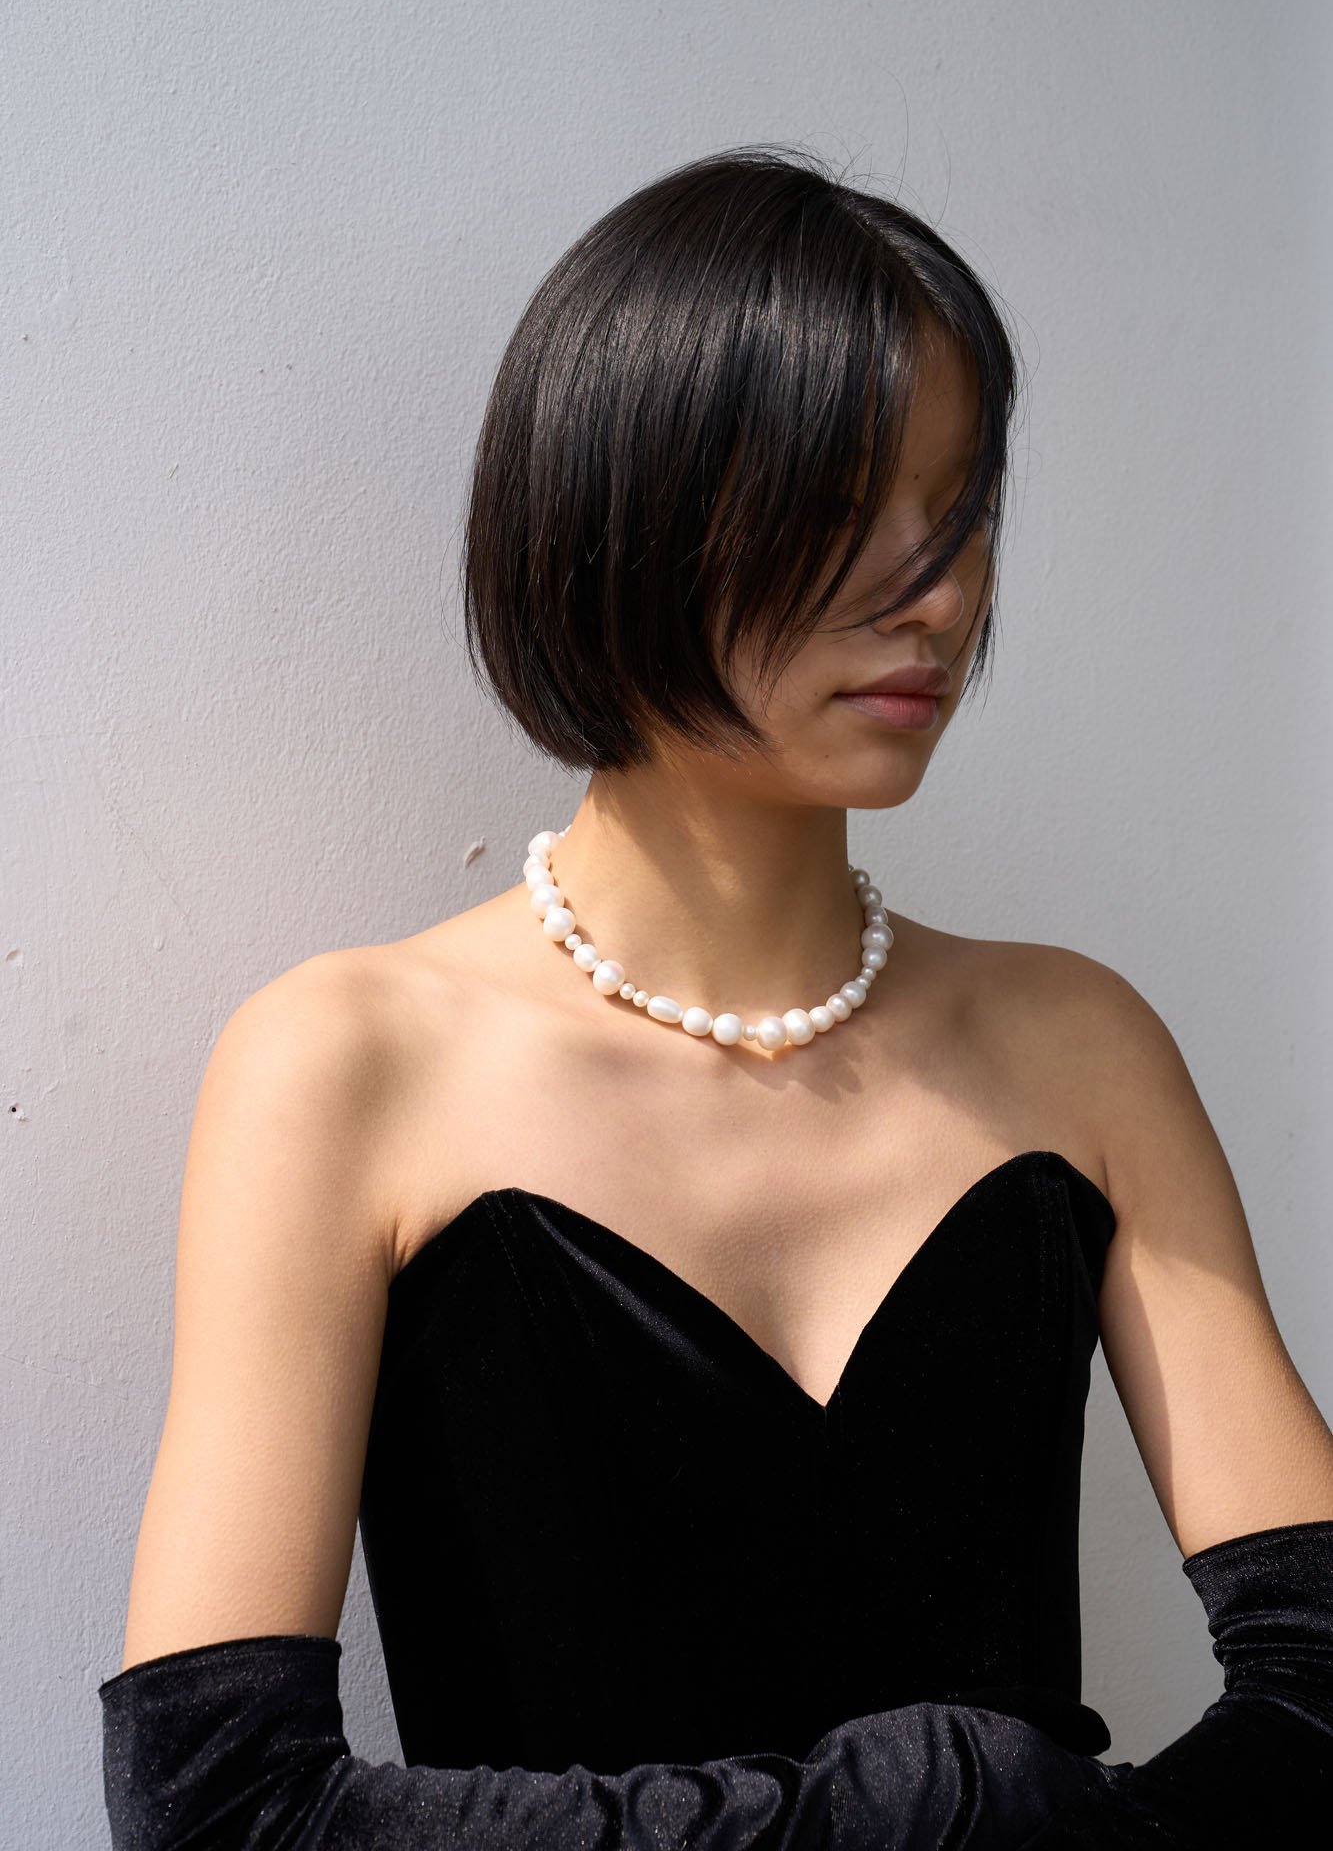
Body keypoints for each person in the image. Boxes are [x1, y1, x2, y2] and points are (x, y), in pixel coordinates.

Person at [99, 146, 1333, 1847]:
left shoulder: (1077, 1045)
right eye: (840, 511)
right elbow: (218, 1802)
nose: (937, 594)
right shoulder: (347, 1064)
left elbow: (1321, 1681)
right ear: (619, 516)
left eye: (957, 513)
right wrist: (921, 1810)